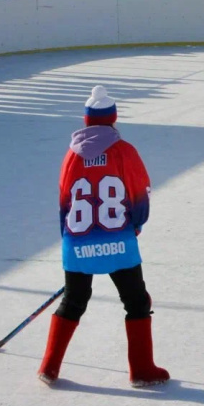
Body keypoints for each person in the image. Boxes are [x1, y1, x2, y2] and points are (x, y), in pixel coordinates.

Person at [38, 85, 169, 387]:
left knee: (74, 300)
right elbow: (140, 195)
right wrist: (135, 225)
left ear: (86, 121)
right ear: (113, 118)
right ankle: (141, 369)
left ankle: (49, 366)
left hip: (77, 242)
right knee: (136, 301)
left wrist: (69, 242)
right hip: (118, 241)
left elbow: (64, 201)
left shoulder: (71, 155)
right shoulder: (124, 151)